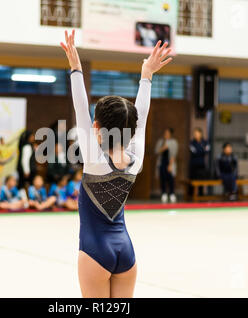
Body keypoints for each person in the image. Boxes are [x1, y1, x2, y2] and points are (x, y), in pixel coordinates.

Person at [60, 30, 172, 297]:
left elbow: (80, 107)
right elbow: (141, 116)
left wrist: (76, 69)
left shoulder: (95, 161)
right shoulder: (136, 159)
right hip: (126, 251)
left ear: (97, 127)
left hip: (94, 252)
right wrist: (147, 75)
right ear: (131, 131)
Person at [155, 128, 178, 203]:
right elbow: (156, 152)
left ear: (170, 134)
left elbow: (174, 154)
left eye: (168, 133)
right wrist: (162, 148)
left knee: (171, 179)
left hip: (170, 163)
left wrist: (170, 165)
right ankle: (164, 193)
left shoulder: (173, 142)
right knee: (163, 178)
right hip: (162, 163)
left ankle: (172, 194)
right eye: (165, 133)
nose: (166, 134)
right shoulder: (161, 141)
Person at [189, 127, 210, 196]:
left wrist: (201, 151)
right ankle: (191, 195)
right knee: (193, 180)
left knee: (201, 180)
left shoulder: (205, 142)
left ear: (201, 134)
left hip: (202, 164)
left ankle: (201, 194)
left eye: (197, 133)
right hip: (193, 164)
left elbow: (207, 151)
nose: (196, 135)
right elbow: (194, 152)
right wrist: (202, 150)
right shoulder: (192, 142)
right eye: (195, 134)